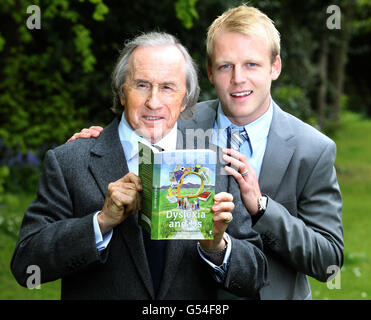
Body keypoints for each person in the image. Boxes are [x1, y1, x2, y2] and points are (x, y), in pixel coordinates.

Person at [73, 5, 344, 300]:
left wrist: (263, 208)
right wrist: (95, 143)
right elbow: (124, 146)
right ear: (210, 72)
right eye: (225, 66)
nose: (238, 78)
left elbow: (328, 259)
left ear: (275, 67)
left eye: (251, 64)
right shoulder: (176, 121)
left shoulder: (312, 149)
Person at [11, 32, 267, 299]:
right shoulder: (70, 161)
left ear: (185, 101)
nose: (153, 102)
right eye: (142, 85)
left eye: (167, 87)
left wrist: (217, 246)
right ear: (122, 92)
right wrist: (100, 223)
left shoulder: (215, 164)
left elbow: (256, 276)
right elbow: (26, 265)